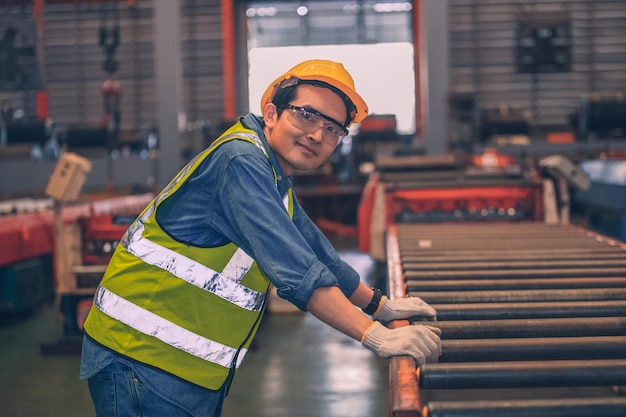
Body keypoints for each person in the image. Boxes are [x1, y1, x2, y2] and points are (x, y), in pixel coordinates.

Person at [80, 59, 442, 417]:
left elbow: (317, 252)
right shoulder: (241, 161)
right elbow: (298, 272)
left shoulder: (271, 172)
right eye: (307, 115)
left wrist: (380, 306)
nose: (317, 135)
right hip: (140, 357)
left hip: (181, 365)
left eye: (334, 129)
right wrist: (376, 336)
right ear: (271, 113)